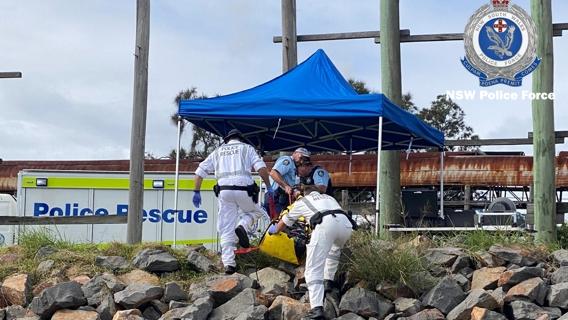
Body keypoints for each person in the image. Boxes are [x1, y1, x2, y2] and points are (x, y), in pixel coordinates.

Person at [192, 129, 273, 275]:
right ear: (240, 138)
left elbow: (199, 173)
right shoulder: (247, 148)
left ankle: (229, 264)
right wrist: (268, 186)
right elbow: (261, 168)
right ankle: (242, 226)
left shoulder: (217, 151)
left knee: (226, 227)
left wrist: (196, 192)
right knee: (255, 211)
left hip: (224, 191)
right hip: (244, 189)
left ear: (227, 139)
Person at [268, 185, 355, 320]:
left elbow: (284, 223)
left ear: (304, 193)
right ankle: (328, 282)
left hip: (326, 225)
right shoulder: (329, 197)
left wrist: (275, 230)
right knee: (334, 249)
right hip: (346, 225)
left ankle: (316, 309)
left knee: (313, 269)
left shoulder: (302, 201)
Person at [267, 147, 311, 214]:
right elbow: (273, 173)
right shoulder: (287, 161)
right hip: (276, 195)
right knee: (278, 221)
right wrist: (286, 186)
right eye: (301, 158)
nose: (302, 161)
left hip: (283, 197)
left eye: (304, 159)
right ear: (295, 153)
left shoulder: (294, 166)